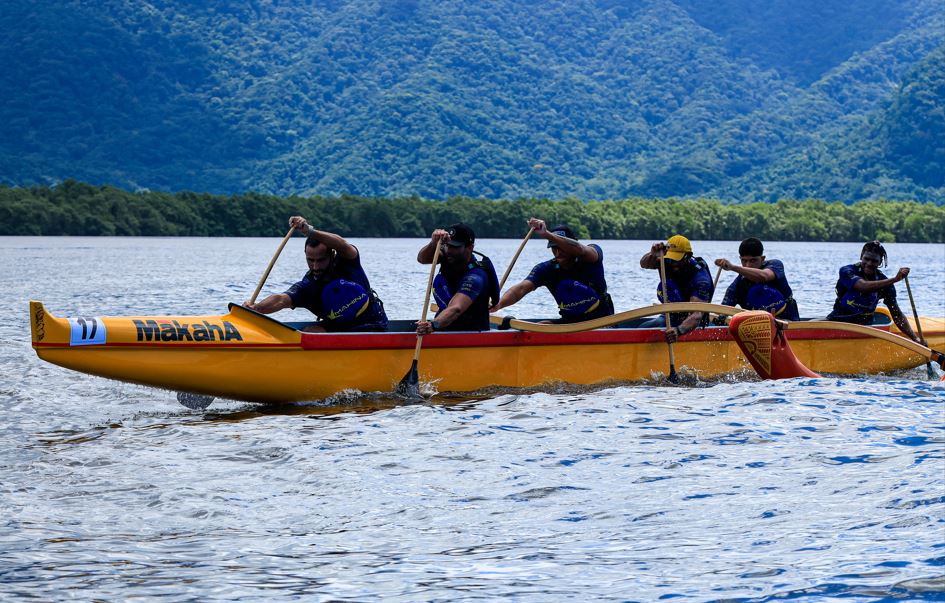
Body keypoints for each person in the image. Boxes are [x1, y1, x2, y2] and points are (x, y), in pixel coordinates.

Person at [243, 216, 388, 332]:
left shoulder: (347, 262)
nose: (315, 266)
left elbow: (341, 244)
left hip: (373, 325)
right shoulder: (308, 286)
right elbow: (281, 300)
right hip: (339, 329)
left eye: (320, 260)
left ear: (332, 255)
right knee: (310, 331)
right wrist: (257, 308)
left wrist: (309, 231)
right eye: (310, 260)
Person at [490, 219, 613, 323]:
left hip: (601, 320)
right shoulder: (546, 269)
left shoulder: (591, 255)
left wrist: (547, 234)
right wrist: (498, 304)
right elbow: (520, 289)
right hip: (570, 322)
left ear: (573, 242)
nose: (558, 252)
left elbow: (580, 249)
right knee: (542, 326)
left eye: (561, 247)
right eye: (554, 248)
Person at [826, 240, 922, 342]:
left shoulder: (885, 283)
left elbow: (897, 315)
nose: (869, 263)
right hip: (837, 321)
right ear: (861, 256)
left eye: (874, 261)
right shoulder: (847, 271)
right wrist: (895, 279)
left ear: (880, 262)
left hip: (866, 328)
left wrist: (915, 338)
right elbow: (863, 286)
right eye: (866, 259)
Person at [415, 223, 500, 334]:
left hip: (471, 336)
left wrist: (432, 325)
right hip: (444, 329)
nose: (449, 250)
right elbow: (422, 259)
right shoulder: (449, 256)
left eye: (455, 247)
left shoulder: (476, 276)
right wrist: (433, 243)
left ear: (470, 247)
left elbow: (456, 308)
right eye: (447, 245)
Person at [639, 235, 713, 343]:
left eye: (677, 260)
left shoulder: (700, 278)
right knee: (644, 328)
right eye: (671, 259)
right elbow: (644, 264)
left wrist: (678, 331)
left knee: (655, 328)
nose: (673, 264)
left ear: (688, 256)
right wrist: (652, 254)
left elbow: (696, 315)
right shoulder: (666, 261)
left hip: (690, 323)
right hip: (670, 315)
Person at [716, 237, 800, 320]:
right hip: (756, 327)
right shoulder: (737, 285)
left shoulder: (775, 265)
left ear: (762, 259)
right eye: (744, 261)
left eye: (753, 260)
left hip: (789, 321)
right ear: (740, 259)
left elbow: (764, 276)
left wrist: (733, 267)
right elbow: (722, 313)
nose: (748, 265)